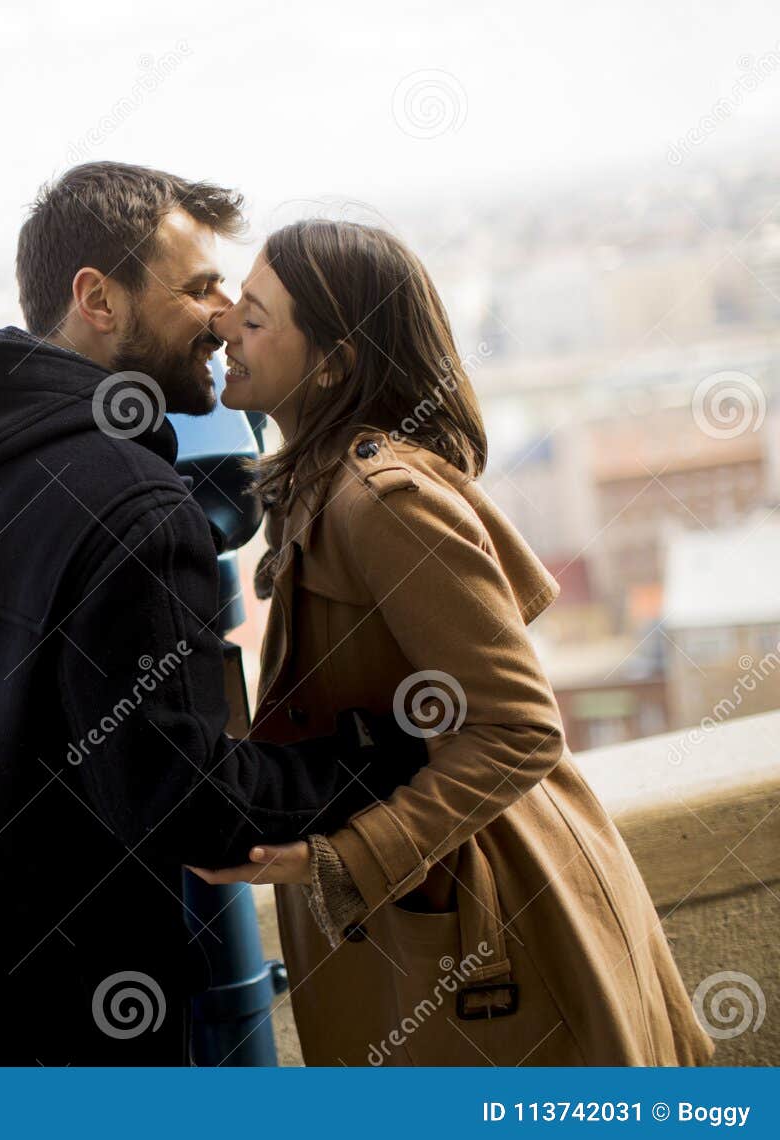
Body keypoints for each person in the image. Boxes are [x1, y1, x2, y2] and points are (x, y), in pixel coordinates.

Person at [0, 165, 424, 1065]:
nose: (224, 316)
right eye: (197, 288)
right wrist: (376, 758)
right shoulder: (132, 505)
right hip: (48, 1030)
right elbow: (184, 804)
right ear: (97, 297)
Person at [196, 218, 714, 1066]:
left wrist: (342, 858)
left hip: (496, 921)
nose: (224, 328)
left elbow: (520, 729)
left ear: (333, 362)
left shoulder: (380, 501)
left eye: (254, 319)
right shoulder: (323, 487)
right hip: (434, 910)